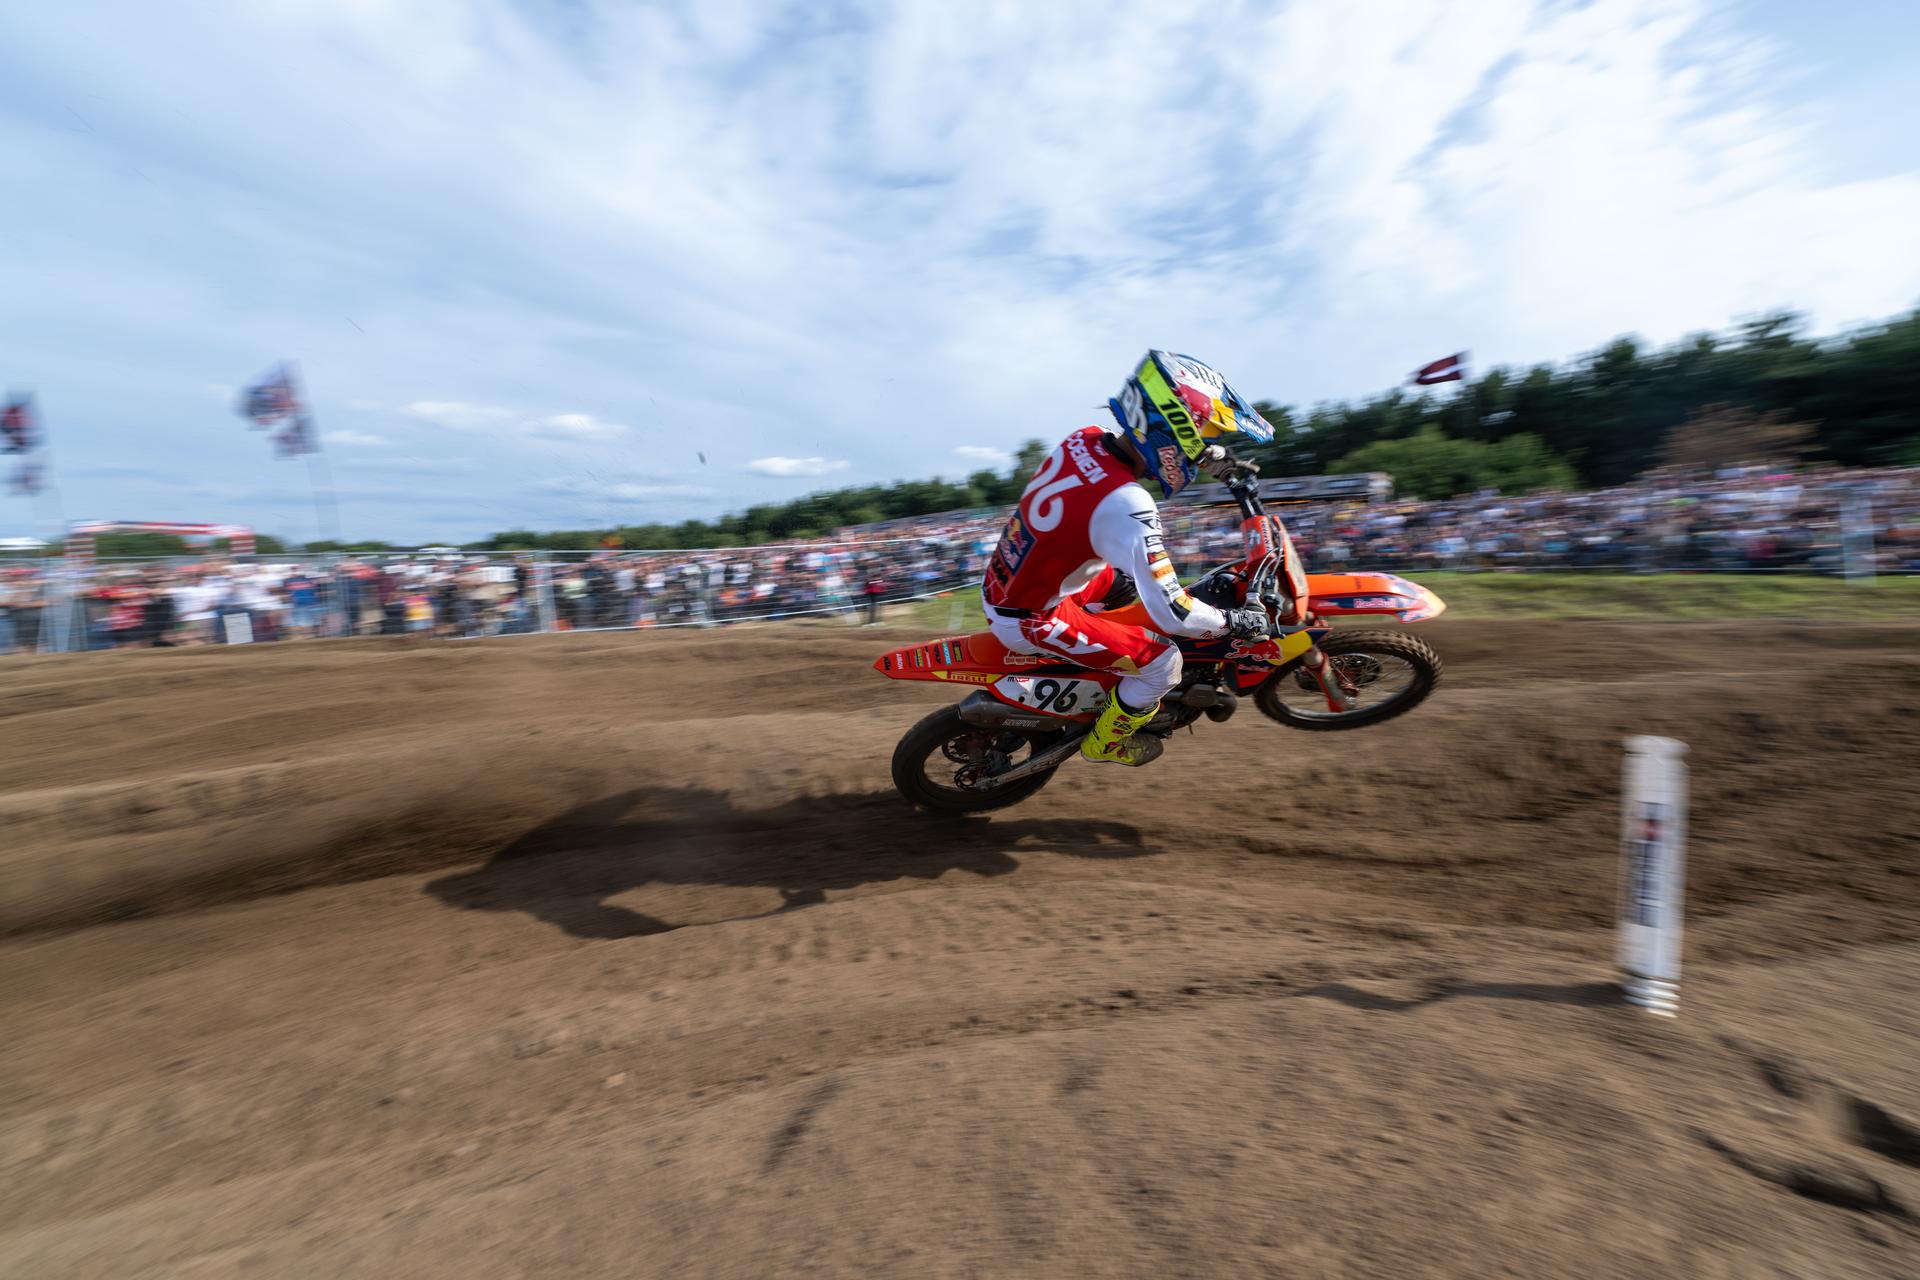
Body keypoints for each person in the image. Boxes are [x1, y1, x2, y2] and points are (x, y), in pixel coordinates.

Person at [980, 350, 1275, 766]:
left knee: (1129, 588)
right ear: (1173, 429)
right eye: (1203, 435)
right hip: (1030, 614)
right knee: (1164, 662)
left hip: (1019, 577)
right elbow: (1174, 612)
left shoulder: (1083, 438)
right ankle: (1106, 743)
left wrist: (1209, 459)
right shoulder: (1128, 503)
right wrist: (1235, 621)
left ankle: (1103, 681)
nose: (1206, 445)